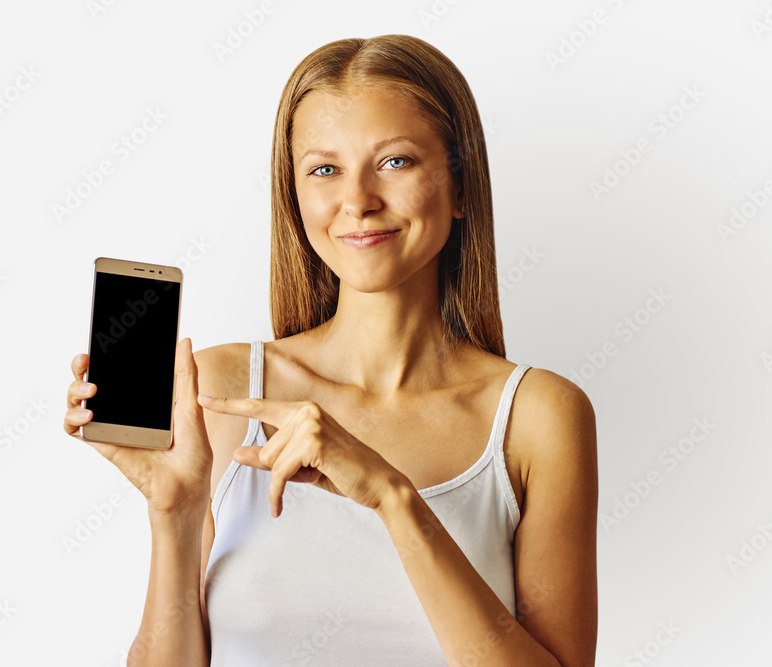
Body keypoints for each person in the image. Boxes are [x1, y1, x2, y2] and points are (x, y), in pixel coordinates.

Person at [64, 34, 597, 666]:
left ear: (460, 186)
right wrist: (174, 516)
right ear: (294, 198)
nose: (358, 201)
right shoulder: (224, 388)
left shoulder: (539, 416)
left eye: (396, 161)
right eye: (324, 169)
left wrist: (393, 499)